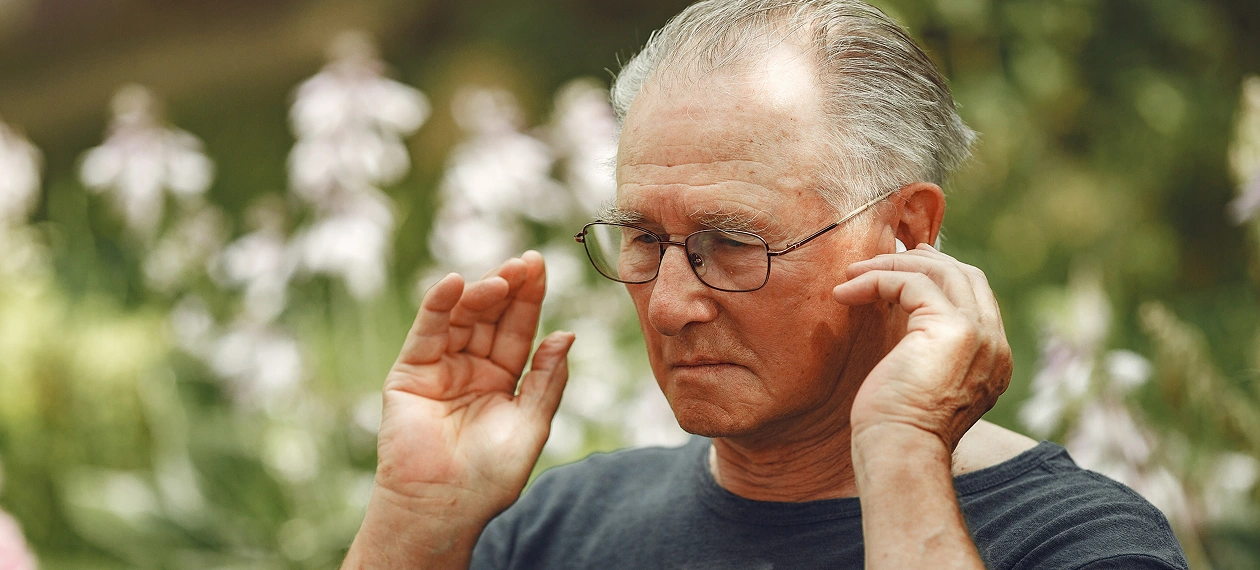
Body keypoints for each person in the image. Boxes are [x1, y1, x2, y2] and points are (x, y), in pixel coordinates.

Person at [342, 1, 1190, 568]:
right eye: (644, 238)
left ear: (906, 232)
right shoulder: (560, 529)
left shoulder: (1078, 544)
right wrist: (416, 525)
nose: (669, 305)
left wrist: (899, 449)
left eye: (733, 243)